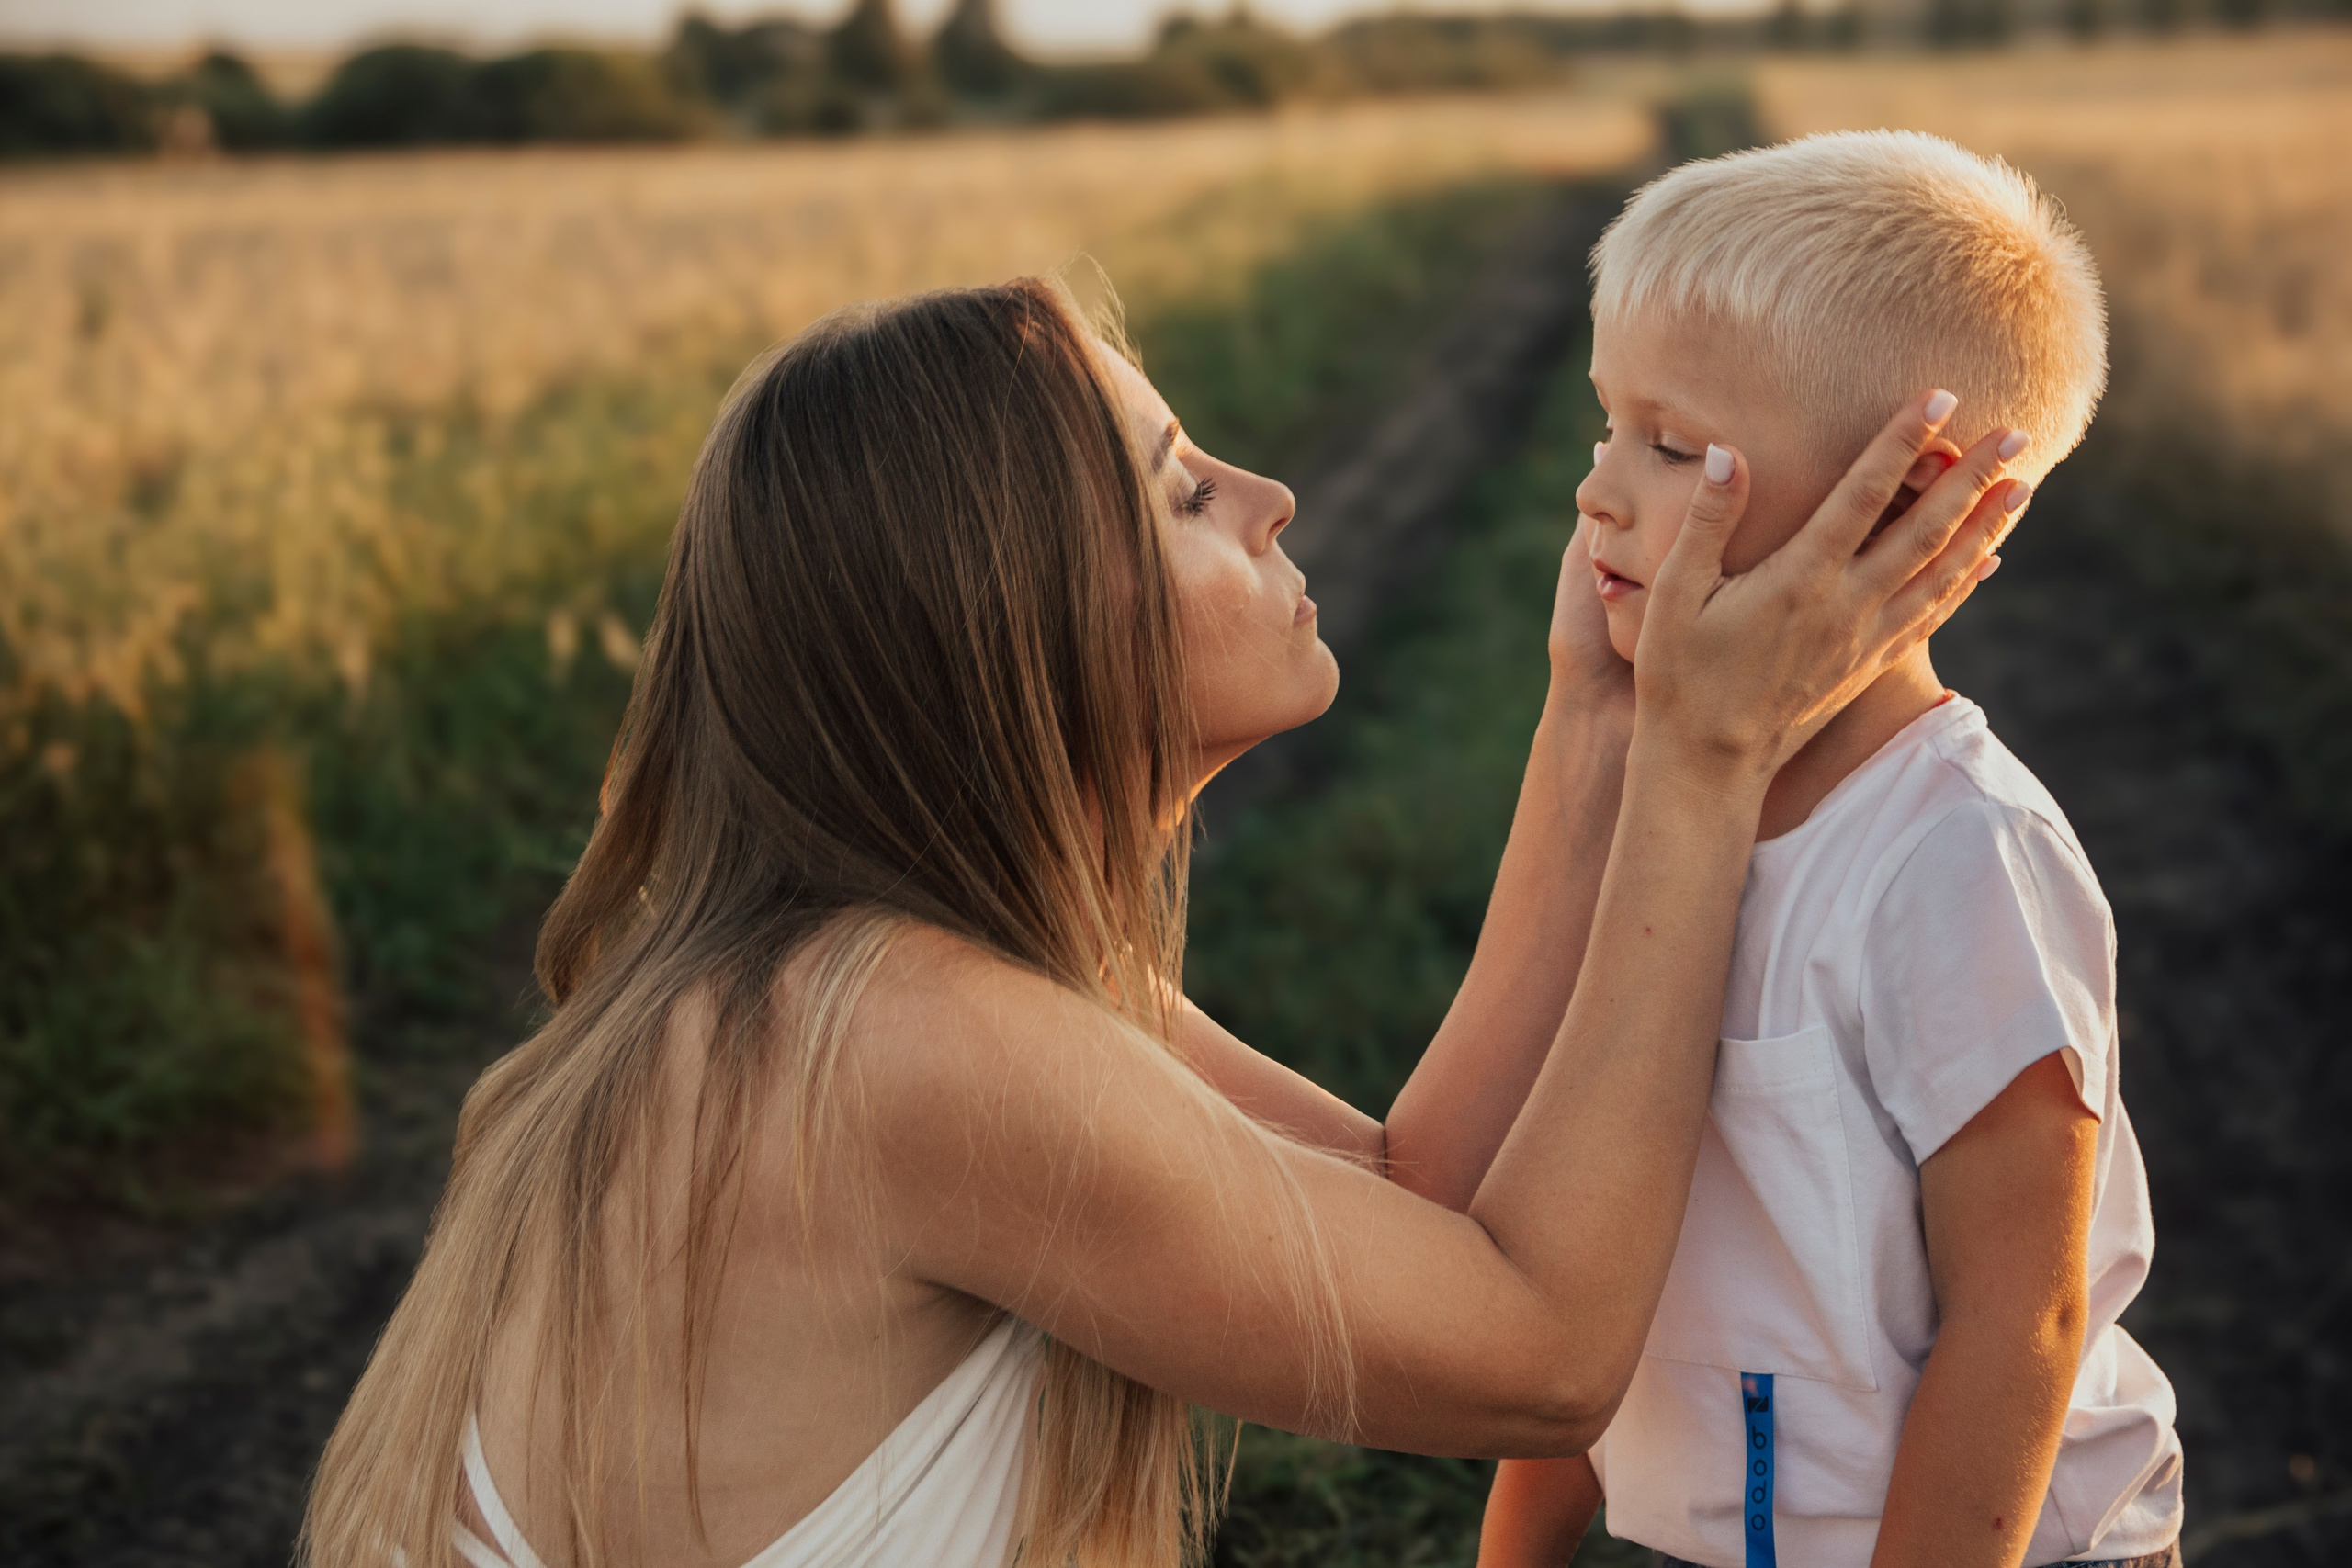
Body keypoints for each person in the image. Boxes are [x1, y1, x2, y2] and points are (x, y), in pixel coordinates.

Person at [301, 275, 2016, 1568]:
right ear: (1018, 614)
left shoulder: (909, 976)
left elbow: (1418, 1212)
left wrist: (1601, 719)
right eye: (1185, 490)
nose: (1269, 494)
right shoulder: (898, 1038)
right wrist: (1707, 763)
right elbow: (1539, 1359)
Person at [1476, 132, 2181, 1568]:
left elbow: (2021, 1318)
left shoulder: (1955, 856)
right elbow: (1575, 1254)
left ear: (1911, 496)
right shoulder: (1660, 820)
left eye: (1673, 446)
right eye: (1605, 427)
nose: (1597, 491)